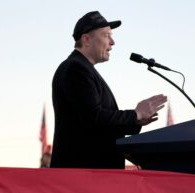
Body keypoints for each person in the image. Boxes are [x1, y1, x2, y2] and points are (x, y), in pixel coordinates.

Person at [50, 11, 167, 169]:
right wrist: (136, 113)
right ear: (86, 39)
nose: (112, 42)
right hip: (82, 175)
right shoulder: (76, 68)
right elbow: (94, 117)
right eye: (106, 35)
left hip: (90, 174)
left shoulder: (83, 68)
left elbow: (99, 123)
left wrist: (135, 121)